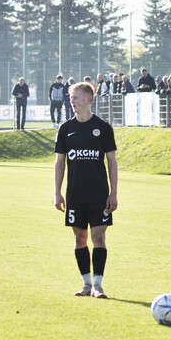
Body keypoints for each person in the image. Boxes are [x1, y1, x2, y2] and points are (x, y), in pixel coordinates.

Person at [54, 81, 118, 299]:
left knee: (98, 237)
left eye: (75, 98)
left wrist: (113, 193)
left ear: (88, 100)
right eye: (71, 98)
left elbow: (112, 162)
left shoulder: (104, 128)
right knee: (80, 237)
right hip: (75, 194)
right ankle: (86, 283)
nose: (72, 102)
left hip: (99, 194)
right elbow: (60, 163)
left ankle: (98, 285)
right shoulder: (66, 129)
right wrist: (57, 192)